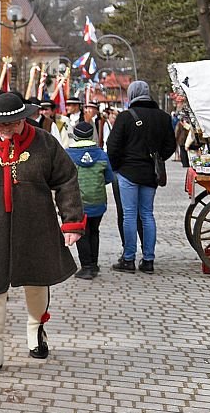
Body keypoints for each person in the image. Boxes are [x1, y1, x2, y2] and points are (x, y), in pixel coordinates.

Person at [0, 92, 84, 375]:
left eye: (12, 123)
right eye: (0, 124)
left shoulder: (45, 143)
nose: (6, 129)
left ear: (23, 118)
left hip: (36, 226)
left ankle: (36, 330)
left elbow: (66, 179)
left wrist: (72, 221)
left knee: (37, 280)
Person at [107, 80, 177, 274]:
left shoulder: (125, 117)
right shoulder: (163, 118)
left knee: (129, 215)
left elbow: (112, 146)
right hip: (150, 174)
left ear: (131, 94)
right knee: (147, 215)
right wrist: (158, 157)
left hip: (128, 172)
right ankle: (148, 260)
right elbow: (171, 145)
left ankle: (128, 259)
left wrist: (117, 166)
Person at [67, 121, 113, 279]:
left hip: (78, 202)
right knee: (94, 231)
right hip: (98, 201)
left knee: (81, 233)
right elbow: (109, 177)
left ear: (76, 135)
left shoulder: (68, 154)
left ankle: (86, 267)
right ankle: (93, 264)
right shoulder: (102, 154)